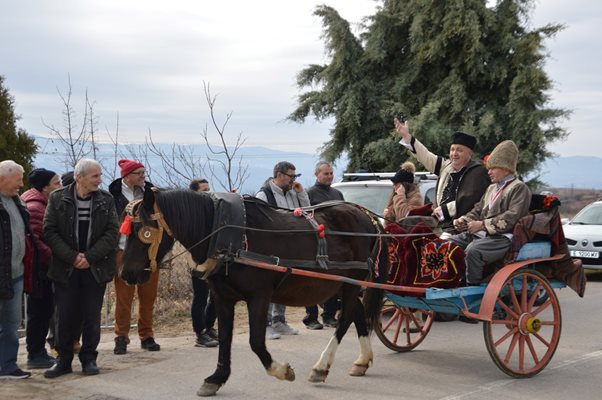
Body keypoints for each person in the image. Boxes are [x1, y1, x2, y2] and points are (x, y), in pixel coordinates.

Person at [43, 158, 119, 378]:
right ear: (79, 177)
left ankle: (89, 359)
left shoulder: (106, 199)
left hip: (94, 269)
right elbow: (50, 231)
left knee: (92, 317)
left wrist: (89, 257)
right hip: (66, 269)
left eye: (99, 175)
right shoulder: (58, 198)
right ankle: (63, 360)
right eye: (95, 176)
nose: (100, 180)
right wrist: (73, 257)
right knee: (64, 316)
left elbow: (112, 233)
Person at [451, 140, 531, 288]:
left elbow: (512, 217)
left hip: (505, 237)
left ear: (505, 168)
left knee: (474, 250)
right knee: (450, 243)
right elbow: (478, 209)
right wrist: (463, 219)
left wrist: (482, 225)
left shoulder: (519, 188)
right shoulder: (491, 188)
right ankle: (453, 280)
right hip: (486, 235)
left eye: (492, 168)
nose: (488, 172)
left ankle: (471, 287)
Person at [394, 119, 490, 230]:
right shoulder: (446, 167)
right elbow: (426, 156)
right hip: (438, 221)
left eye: (459, 150)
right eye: (452, 150)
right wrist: (407, 136)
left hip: (458, 225)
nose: (454, 154)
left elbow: (471, 200)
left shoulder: (478, 172)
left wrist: (444, 210)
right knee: (404, 224)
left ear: (469, 153)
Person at [109, 159, 160, 355]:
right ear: (127, 175)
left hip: (149, 251)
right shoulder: (111, 196)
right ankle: (121, 337)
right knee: (124, 297)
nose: (143, 176)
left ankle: (146, 336)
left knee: (148, 297)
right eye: (138, 172)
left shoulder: (152, 194)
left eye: (143, 172)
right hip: (123, 250)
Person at [256, 161, 310, 339]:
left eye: (295, 176)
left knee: (284, 283)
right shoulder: (264, 195)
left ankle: (279, 321)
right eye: (291, 176)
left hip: (289, 245)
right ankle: (265, 324)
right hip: (270, 247)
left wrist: (301, 193)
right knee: (268, 286)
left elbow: (306, 211)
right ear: (279, 175)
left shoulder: (293, 192)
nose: (293, 180)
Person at [21, 168, 61, 369]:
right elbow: (36, 240)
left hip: (40, 268)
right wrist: (55, 258)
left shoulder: (38, 202)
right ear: (44, 188)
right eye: (56, 183)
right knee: (40, 312)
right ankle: (36, 354)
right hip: (40, 270)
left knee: (41, 311)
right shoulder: (36, 208)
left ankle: (37, 352)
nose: (60, 186)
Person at [0, 160, 33, 379]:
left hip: (16, 274)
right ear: (3, 178)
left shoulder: (16, 201)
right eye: (18, 179)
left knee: (12, 325)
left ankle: (8, 366)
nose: (21, 184)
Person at [303, 161, 343, 330]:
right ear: (316, 174)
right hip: (315, 242)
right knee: (311, 281)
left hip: (335, 243)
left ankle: (329, 315)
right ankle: (311, 318)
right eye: (325, 173)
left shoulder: (338, 193)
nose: (329, 176)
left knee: (332, 279)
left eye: (331, 173)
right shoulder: (309, 194)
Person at [189, 178, 218, 348]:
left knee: (215, 294)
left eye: (209, 189)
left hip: (214, 256)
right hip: (197, 258)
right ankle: (199, 333)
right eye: (204, 191)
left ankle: (209, 327)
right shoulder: (190, 213)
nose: (208, 193)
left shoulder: (213, 208)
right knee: (200, 295)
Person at [383, 161, 424, 226]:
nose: (394, 186)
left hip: (408, 234)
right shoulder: (395, 196)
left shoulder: (416, 198)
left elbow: (404, 218)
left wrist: (400, 195)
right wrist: (388, 215)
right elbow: (390, 225)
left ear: (404, 185)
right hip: (396, 234)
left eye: (396, 184)